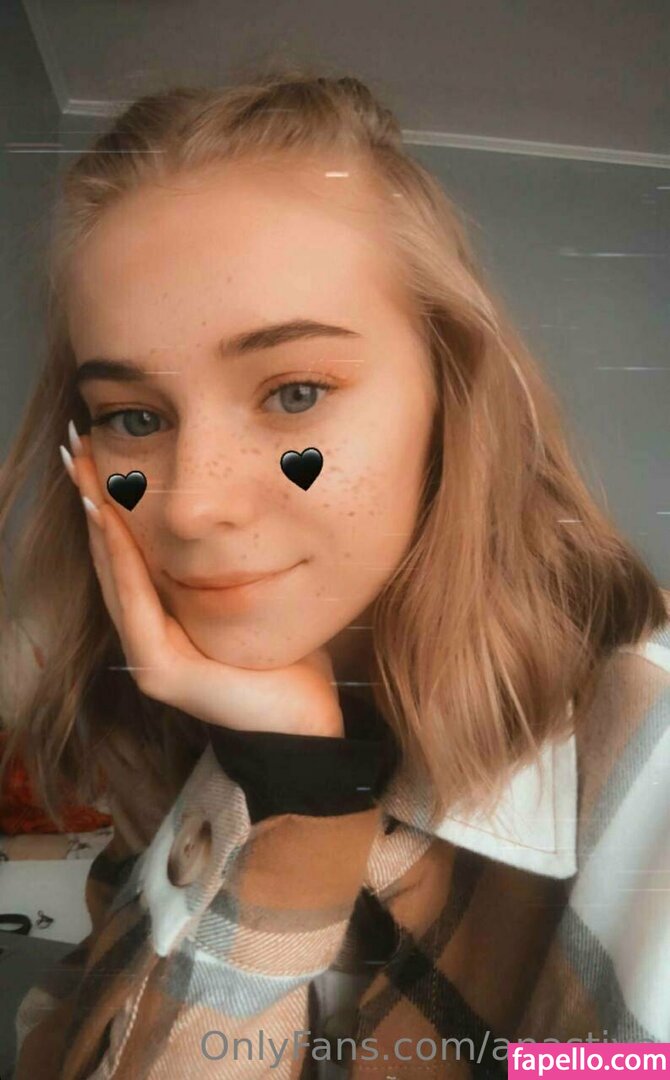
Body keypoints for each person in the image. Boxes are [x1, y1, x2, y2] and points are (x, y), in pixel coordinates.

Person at [0, 66, 668, 1079]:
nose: (188, 507)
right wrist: (291, 787)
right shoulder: (161, 719)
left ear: (452, 396)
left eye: (295, 392)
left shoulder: (649, 764)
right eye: (133, 417)